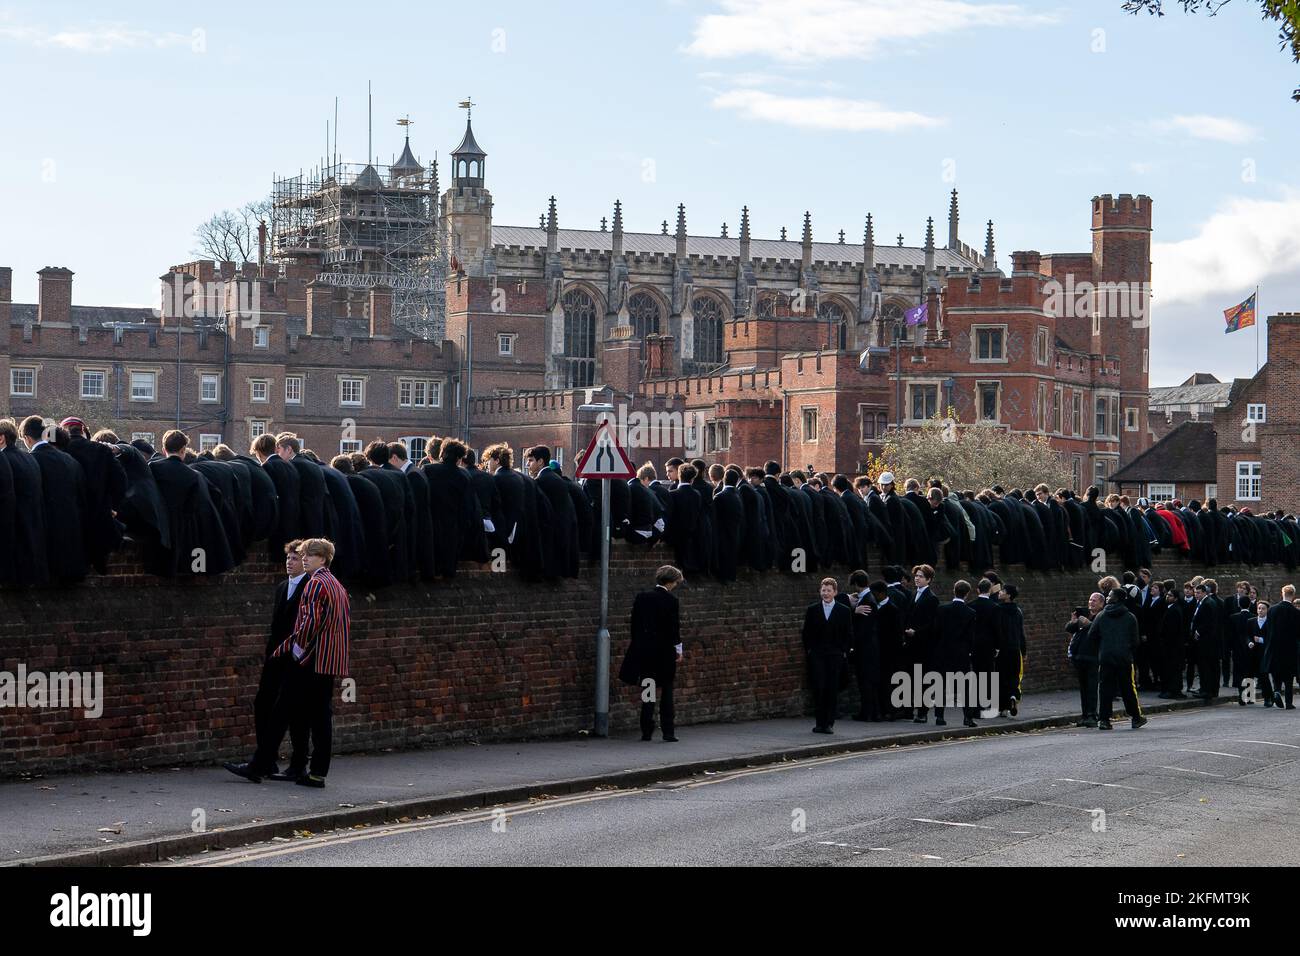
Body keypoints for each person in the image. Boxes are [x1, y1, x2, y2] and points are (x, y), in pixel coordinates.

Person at [256, 537, 350, 788]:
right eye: (304, 555)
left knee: (281, 709)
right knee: (320, 717)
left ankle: (260, 764)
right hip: (329, 660)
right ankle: (317, 772)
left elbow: (309, 624)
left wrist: (294, 650)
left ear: (323, 558)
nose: (304, 559)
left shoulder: (316, 584)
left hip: (311, 660)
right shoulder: (337, 585)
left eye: (310, 555)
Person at [225, 540, 310, 783]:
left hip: (296, 658)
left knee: (295, 712)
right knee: (263, 703)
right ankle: (268, 760)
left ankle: (297, 764)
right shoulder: (282, 587)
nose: (290, 563)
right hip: (275, 656)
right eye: (288, 558)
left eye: (295, 559)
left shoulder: (310, 587)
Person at [618, 565, 684, 742]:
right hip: (665, 653)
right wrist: (679, 650)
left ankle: (646, 730)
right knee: (667, 691)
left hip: (646, 652)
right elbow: (673, 629)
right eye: (676, 582)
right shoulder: (671, 600)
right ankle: (668, 732)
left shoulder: (642, 598)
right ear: (670, 582)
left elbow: (634, 625)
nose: (676, 585)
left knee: (649, 690)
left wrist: (640, 645)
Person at [21, 415, 90, 584]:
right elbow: (82, 499)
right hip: (73, 539)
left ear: (27, 438)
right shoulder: (71, 461)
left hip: (45, 542)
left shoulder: (31, 461)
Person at [801, 577, 852, 733]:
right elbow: (806, 633)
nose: (826, 593)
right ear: (820, 591)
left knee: (831, 688)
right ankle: (819, 723)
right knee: (819, 688)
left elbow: (848, 633)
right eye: (823, 590)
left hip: (835, 655)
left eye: (829, 590)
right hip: (817, 655)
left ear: (835, 592)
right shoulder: (813, 609)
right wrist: (810, 650)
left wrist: (843, 650)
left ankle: (829, 723)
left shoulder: (844, 610)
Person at [1094, 589, 1147, 730]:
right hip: (1124, 658)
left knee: (1105, 689)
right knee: (1128, 689)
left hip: (1106, 657)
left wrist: (1103, 648)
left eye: (1110, 595)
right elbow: (1135, 641)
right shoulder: (1130, 617)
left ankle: (1104, 720)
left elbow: (1092, 635)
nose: (1107, 597)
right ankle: (1136, 718)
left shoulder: (1101, 616)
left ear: (1116, 599)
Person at [931, 579, 978, 728]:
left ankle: (939, 716)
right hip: (961, 654)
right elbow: (971, 637)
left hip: (943, 652)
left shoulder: (941, 609)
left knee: (941, 685)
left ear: (954, 590)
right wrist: (969, 652)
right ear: (967, 594)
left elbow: (936, 632)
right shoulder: (970, 613)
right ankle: (967, 718)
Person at [904, 564, 939, 722]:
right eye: (916, 575)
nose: (917, 578)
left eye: (921, 576)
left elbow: (932, 624)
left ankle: (923, 713)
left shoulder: (931, 598)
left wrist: (916, 632)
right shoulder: (913, 595)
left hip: (924, 645)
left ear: (929, 579)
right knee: (912, 678)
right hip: (911, 644)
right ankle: (912, 710)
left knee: (923, 680)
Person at [844, 570, 880, 721]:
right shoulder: (867, 598)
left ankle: (868, 713)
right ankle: (871, 712)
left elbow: (863, 629)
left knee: (865, 682)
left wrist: (853, 612)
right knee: (868, 682)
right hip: (868, 648)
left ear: (857, 584)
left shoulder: (866, 601)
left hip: (865, 649)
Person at [1067, 593, 1103, 727]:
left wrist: (1088, 624)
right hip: (1080, 657)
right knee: (1083, 688)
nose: (1091, 602)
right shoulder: (1085, 615)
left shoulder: (1102, 616)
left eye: (1094, 600)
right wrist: (1073, 621)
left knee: (1092, 687)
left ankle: (1092, 715)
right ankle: (1085, 714)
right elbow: (1068, 628)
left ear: (1101, 603)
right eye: (1090, 600)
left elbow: (1100, 632)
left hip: (1093, 657)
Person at [1263, 585, 1299, 709]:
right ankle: (1289, 702)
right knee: (1289, 677)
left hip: (1274, 647)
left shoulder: (1272, 610)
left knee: (1276, 673)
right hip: (1290, 649)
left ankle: (1277, 691)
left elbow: (1266, 629)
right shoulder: (1296, 612)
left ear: (1282, 593)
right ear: (1293, 595)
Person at [995, 583, 1026, 717]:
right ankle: (1013, 696)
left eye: (1002, 591)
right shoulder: (1018, 611)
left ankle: (1002, 708)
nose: (1000, 592)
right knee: (1014, 675)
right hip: (1015, 649)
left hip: (1002, 649)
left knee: (1001, 677)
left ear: (1008, 595)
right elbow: (1021, 633)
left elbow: (997, 631)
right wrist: (1024, 651)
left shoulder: (998, 610)